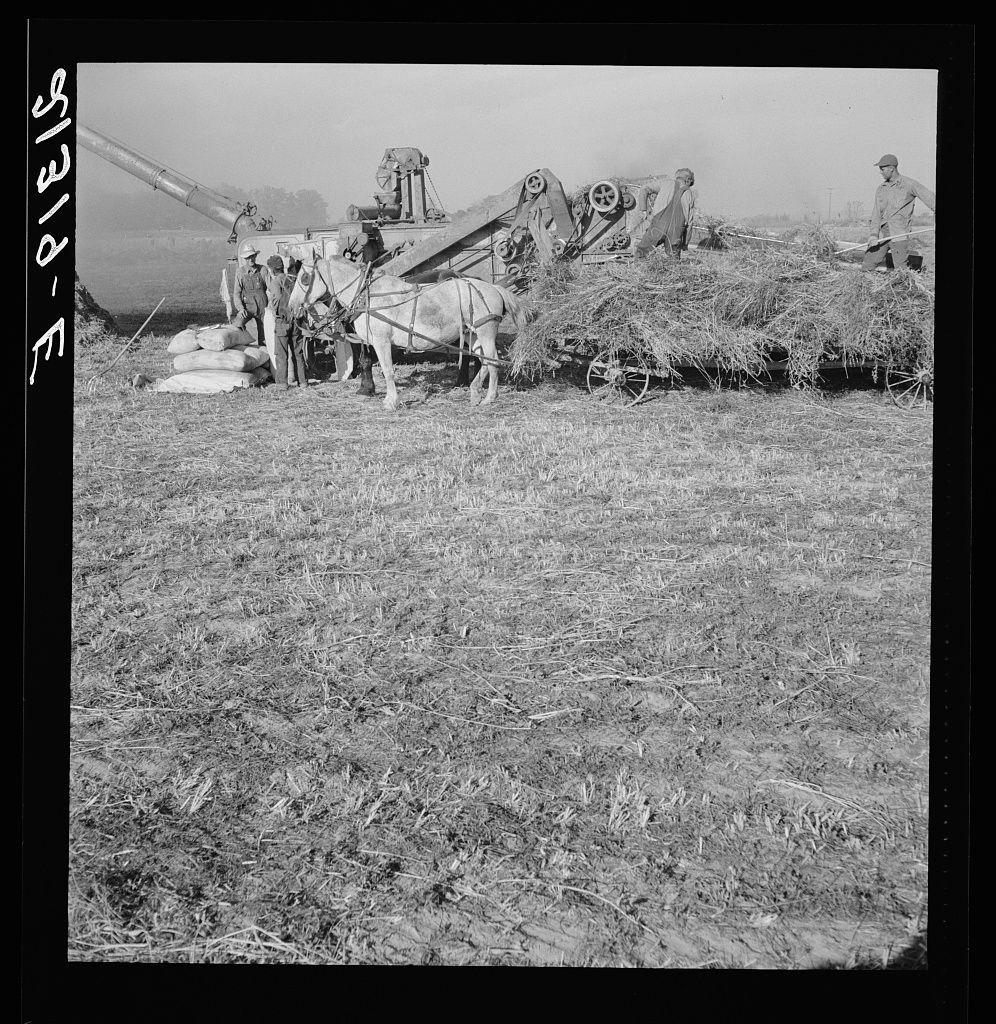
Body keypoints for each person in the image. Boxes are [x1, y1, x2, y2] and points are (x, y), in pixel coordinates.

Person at [862, 155, 935, 272]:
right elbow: (876, 213)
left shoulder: (909, 184)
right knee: (868, 264)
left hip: (899, 234)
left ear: (891, 168)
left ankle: (904, 288)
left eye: (882, 169)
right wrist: (873, 234)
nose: (880, 172)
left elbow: (931, 198)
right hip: (882, 235)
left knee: (900, 270)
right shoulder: (881, 189)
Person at [265, 255, 309, 389]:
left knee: (281, 354)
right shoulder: (292, 279)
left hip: (282, 322)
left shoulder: (275, 282)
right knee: (298, 353)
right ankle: (303, 382)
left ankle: (282, 384)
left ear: (272, 269)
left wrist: (274, 309)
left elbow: (277, 297)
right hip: (296, 321)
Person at [635, 168, 697, 258]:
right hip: (676, 232)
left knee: (641, 253)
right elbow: (689, 223)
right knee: (673, 262)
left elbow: (644, 188)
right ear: (688, 180)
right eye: (690, 184)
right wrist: (685, 243)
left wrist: (643, 210)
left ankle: (638, 270)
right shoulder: (690, 195)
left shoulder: (666, 183)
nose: (689, 186)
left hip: (658, 227)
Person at [232, 241, 269, 342]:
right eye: (248, 257)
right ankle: (243, 347)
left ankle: (265, 354)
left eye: (252, 256)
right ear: (245, 259)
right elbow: (236, 293)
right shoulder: (240, 272)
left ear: (255, 256)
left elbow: (270, 289)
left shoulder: (263, 269)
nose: (251, 259)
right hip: (247, 307)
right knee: (237, 325)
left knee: (265, 336)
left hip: (263, 308)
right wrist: (240, 309)